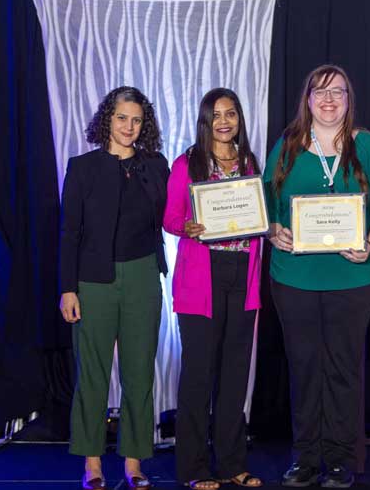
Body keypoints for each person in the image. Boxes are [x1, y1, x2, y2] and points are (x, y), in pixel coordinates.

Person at [263, 64, 370, 488]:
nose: (328, 100)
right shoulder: (288, 145)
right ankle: (304, 457)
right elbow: (264, 203)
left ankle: (341, 459)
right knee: (304, 369)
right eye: (320, 92)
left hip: (354, 279)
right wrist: (274, 231)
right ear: (307, 99)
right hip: (294, 278)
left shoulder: (368, 146)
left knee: (344, 368)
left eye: (337, 92)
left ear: (348, 99)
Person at [59, 86, 169, 490]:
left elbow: (173, 217)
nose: (129, 126)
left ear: (145, 124)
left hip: (143, 277)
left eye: (137, 119)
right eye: (122, 117)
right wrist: (67, 289)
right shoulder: (83, 167)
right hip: (93, 281)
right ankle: (92, 465)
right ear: (107, 119)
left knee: (139, 374)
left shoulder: (155, 165)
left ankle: (134, 464)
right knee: (93, 375)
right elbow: (69, 233)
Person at [163, 88, 264, 490]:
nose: (224, 121)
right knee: (199, 377)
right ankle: (193, 468)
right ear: (206, 121)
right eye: (216, 115)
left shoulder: (250, 162)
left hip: (243, 275)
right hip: (201, 280)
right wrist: (186, 227)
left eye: (231, 114)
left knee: (235, 375)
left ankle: (232, 464)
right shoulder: (188, 163)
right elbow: (171, 218)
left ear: (239, 118)